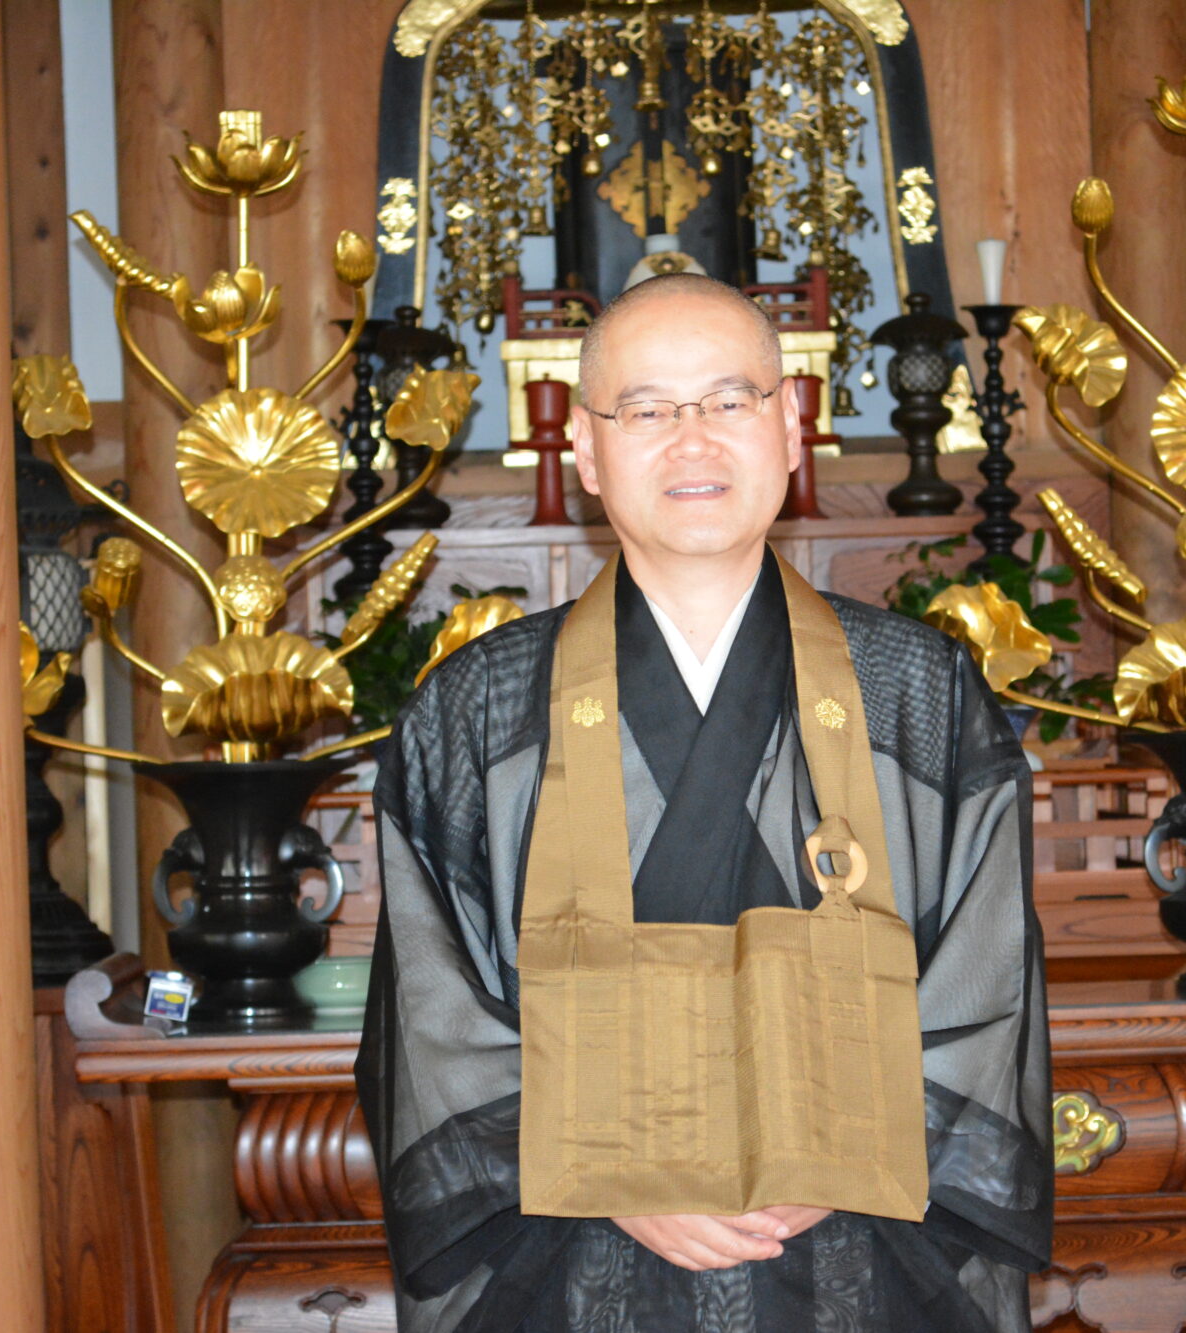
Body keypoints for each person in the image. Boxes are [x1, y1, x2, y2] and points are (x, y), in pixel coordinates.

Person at [356, 272, 1051, 1333]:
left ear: (788, 428)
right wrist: (619, 1168)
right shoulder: (474, 708)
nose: (691, 440)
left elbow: (985, 978)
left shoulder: (914, 687)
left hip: (859, 1248)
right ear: (584, 451)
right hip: (576, 1251)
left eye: (728, 402)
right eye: (644, 410)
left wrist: (837, 1149)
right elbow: (430, 1011)